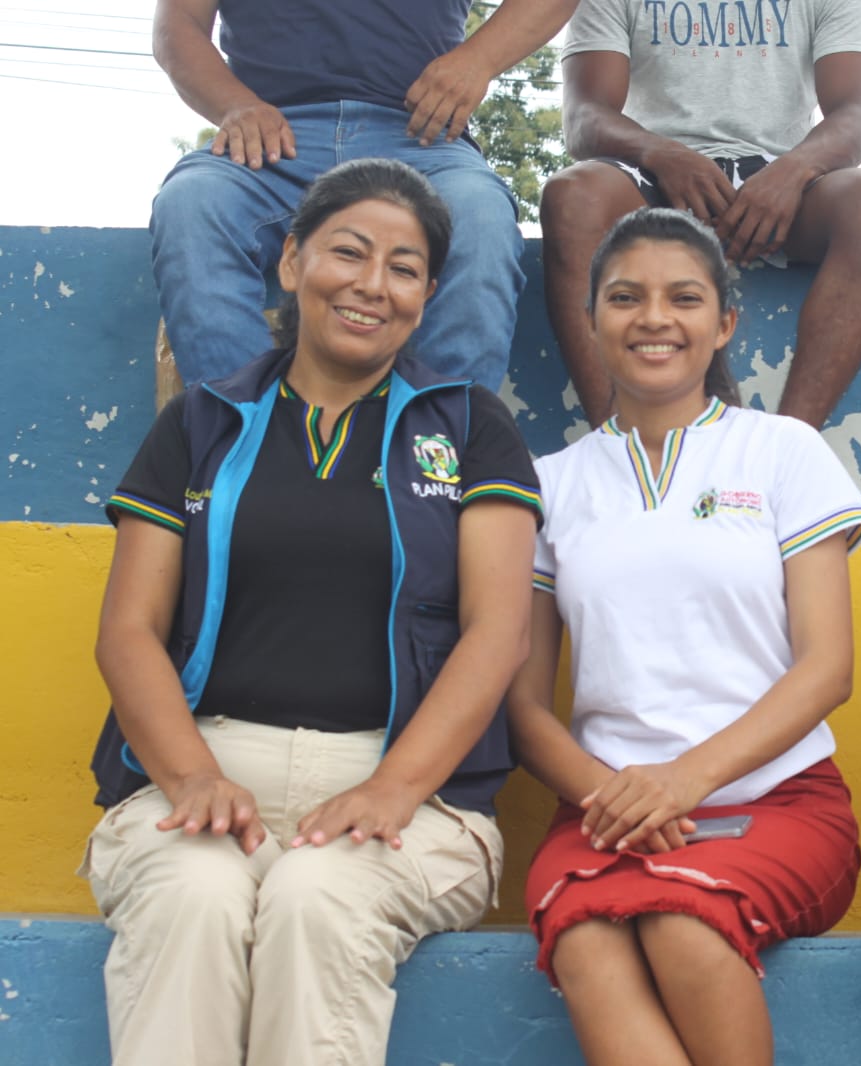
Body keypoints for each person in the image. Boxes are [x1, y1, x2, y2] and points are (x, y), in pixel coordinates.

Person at [82, 159, 542, 1066]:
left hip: (414, 796)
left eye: (405, 268)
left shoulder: (470, 427)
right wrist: (191, 777)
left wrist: (393, 789)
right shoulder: (203, 422)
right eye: (349, 252)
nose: (373, 284)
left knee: (317, 899)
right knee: (192, 898)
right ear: (292, 262)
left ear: (427, 296)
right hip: (206, 768)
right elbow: (128, 631)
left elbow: (498, 634)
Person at [509, 207, 861, 1065]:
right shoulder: (547, 485)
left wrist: (683, 782)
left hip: (777, 803)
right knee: (583, 941)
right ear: (592, 318)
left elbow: (828, 668)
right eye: (625, 297)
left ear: (724, 323)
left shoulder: (783, 452)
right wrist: (614, 798)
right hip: (602, 812)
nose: (655, 319)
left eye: (683, 297)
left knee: (680, 920)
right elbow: (520, 704)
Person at [150, 0, 578, 388]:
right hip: (271, 136)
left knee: (481, 215)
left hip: (418, 135)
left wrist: (478, 59)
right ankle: (248, 430)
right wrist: (234, 105)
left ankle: (438, 437)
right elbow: (178, 22)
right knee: (191, 202)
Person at [538, 0, 861, 429]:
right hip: (652, 168)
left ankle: (790, 443)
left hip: (780, 174)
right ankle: (621, 441)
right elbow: (584, 116)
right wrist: (660, 153)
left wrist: (794, 169)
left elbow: (856, 115)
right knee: (572, 197)